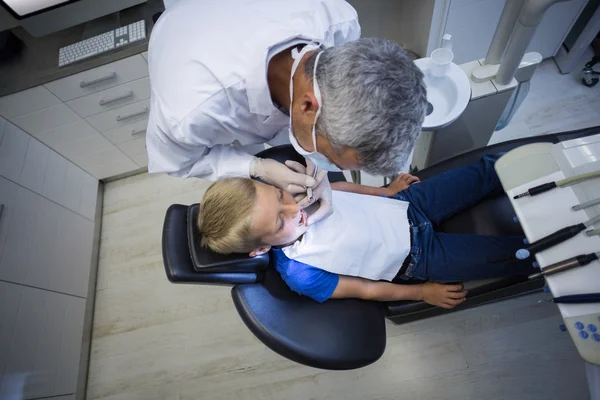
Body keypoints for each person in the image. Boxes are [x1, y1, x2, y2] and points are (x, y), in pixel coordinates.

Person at [146, 0, 427, 225]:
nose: (328, 167)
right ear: (307, 106)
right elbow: (179, 163)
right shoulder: (192, 110)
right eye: (331, 160)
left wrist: (319, 164)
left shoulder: (339, 21)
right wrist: (254, 167)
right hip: (187, 26)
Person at [197, 155, 535, 309]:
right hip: (417, 257)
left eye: (281, 196)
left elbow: (341, 188)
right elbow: (365, 290)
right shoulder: (302, 272)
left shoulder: (303, 195)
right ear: (259, 249)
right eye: (280, 222)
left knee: (490, 169)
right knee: (518, 254)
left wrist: (386, 192)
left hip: (408, 204)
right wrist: (422, 293)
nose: (295, 208)